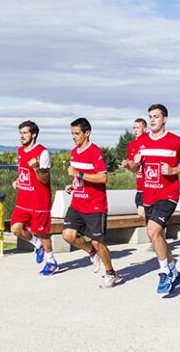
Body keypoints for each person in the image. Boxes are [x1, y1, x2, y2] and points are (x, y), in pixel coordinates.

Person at [132, 104, 180, 294]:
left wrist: (175, 170)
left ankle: (164, 272)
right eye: (150, 116)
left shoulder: (175, 141)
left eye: (156, 117)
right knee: (157, 235)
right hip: (148, 194)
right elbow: (136, 169)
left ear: (165, 119)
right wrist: (133, 164)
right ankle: (174, 271)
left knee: (153, 231)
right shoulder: (141, 142)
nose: (152, 120)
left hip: (168, 194)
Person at [62, 118, 121, 288]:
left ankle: (111, 273)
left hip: (95, 205)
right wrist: (73, 185)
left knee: (98, 241)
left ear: (87, 133)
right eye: (72, 133)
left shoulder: (95, 152)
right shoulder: (74, 152)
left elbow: (103, 178)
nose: (73, 137)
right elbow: (78, 178)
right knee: (68, 235)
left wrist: (79, 174)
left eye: (77, 133)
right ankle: (91, 252)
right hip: (77, 203)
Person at [10, 120, 58, 276]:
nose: (22, 136)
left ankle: (50, 261)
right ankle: (37, 245)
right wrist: (18, 180)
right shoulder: (20, 151)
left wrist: (36, 167)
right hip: (23, 199)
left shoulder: (43, 153)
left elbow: (44, 179)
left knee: (43, 233)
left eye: (25, 133)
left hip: (39, 201)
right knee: (16, 229)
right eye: (21, 133)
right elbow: (23, 171)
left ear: (34, 134)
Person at [120, 118, 148, 221]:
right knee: (143, 215)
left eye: (138, 128)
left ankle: (157, 233)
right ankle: (158, 234)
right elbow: (135, 169)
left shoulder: (150, 141)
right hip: (140, 187)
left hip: (150, 187)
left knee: (142, 213)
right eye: (134, 128)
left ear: (144, 128)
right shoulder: (131, 145)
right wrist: (128, 165)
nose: (135, 130)